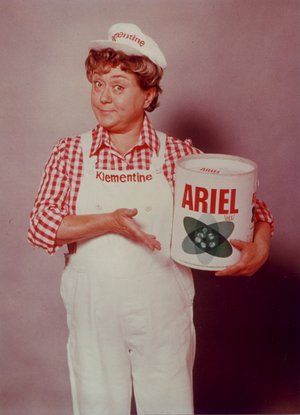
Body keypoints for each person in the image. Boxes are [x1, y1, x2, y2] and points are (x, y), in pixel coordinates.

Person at [28, 23, 274, 415]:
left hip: (162, 314)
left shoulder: (179, 156)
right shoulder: (71, 152)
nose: (103, 98)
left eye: (119, 86)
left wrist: (259, 246)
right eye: (97, 84)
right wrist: (108, 222)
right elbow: (41, 227)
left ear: (149, 95)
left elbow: (253, 209)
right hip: (95, 314)